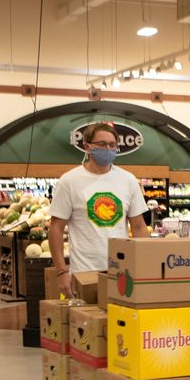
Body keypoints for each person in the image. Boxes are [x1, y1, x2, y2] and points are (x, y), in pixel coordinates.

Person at [49, 122, 149, 298]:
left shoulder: (128, 180)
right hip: (83, 273)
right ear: (87, 147)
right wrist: (61, 272)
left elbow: (139, 227)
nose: (108, 149)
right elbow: (56, 229)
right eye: (102, 144)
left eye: (112, 145)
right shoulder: (69, 181)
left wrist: (144, 265)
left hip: (121, 272)